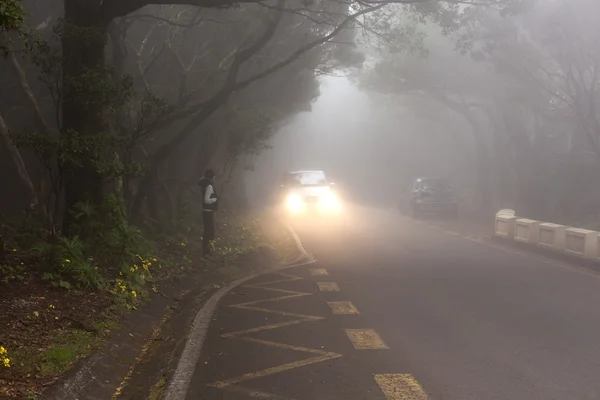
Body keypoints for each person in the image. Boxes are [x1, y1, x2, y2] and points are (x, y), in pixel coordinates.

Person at [198, 169, 218, 256]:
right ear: (212, 177)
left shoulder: (205, 184)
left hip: (206, 211)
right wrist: (214, 199)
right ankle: (206, 250)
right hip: (208, 211)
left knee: (208, 230)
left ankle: (207, 249)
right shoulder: (209, 186)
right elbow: (206, 200)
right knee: (209, 231)